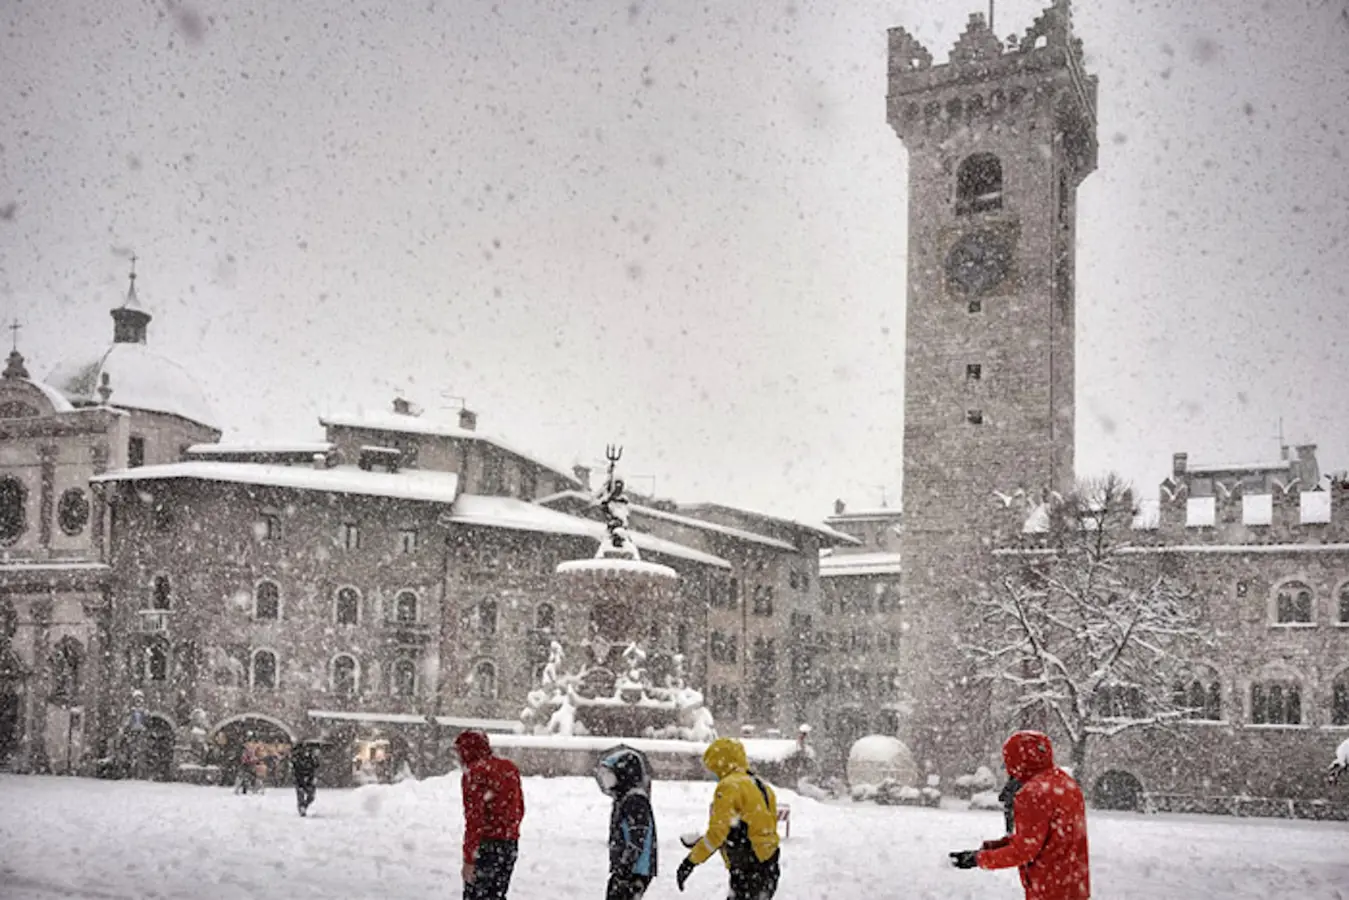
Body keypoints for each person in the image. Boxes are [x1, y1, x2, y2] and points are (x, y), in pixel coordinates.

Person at [949, 731, 1090, 900]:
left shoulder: (1033, 792)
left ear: (1016, 759)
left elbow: (1024, 850)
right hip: (1073, 885)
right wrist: (995, 847)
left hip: (1047, 889)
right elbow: (1044, 838)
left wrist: (978, 859)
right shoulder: (1066, 783)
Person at [676, 737, 780, 899]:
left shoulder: (729, 786)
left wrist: (690, 862)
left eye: (713, 768)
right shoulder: (762, 786)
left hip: (747, 868)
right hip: (768, 866)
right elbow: (761, 827)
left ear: (720, 763)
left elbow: (717, 834)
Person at [454, 730, 525, 900]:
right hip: (509, 845)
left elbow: (474, 819)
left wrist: (469, 859)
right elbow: (519, 808)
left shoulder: (474, 774)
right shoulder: (509, 768)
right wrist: (509, 832)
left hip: (485, 846)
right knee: (497, 895)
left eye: (459, 751)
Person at [595, 746, 658, 900]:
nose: (607, 781)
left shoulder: (634, 801)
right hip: (627, 870)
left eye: (610, 775)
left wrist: (625, 867)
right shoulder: (624, 798)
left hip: (634, 871)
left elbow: (638, 838)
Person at [292, 739, 322, 817]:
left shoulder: (310, 757)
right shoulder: (296, 757)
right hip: (300, 778)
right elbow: (295, 767)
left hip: (309, 778)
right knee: (301, 794)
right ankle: (302, 808)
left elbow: (316, 765)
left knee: (311, 796)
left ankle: (304, 806)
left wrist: (315, 758)